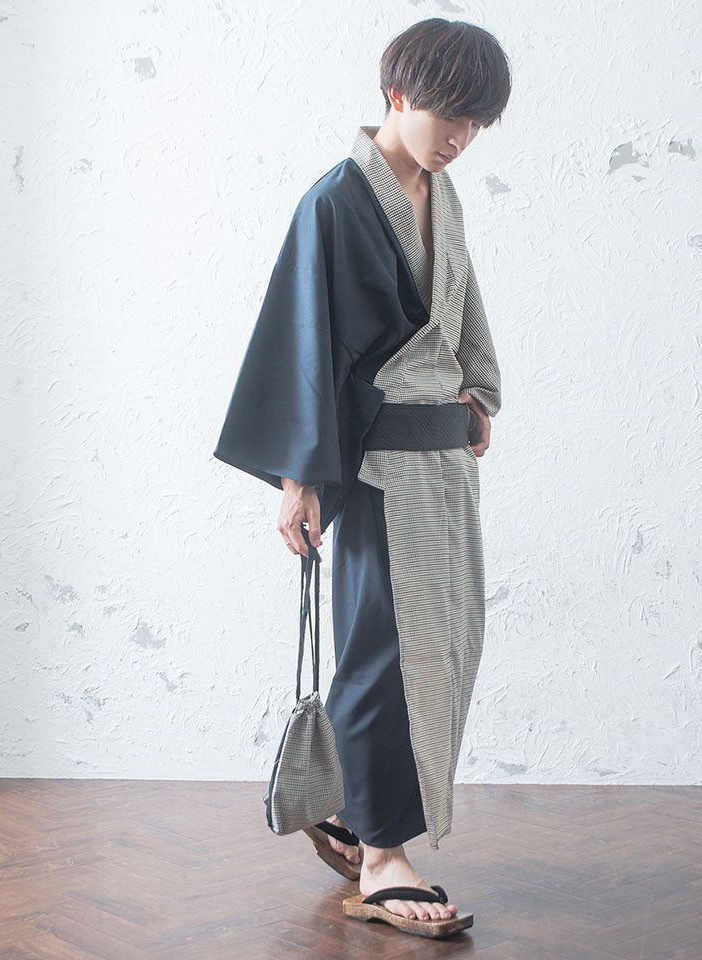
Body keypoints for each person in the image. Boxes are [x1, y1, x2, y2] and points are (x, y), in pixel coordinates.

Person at [213, 17, 511, 940]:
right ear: (397, 94)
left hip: (440, 459)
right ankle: (383, 855)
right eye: (450, 115)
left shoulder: (438, 192)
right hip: (378, 463)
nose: (461, 137)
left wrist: (475, 391)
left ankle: (347, 809)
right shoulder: (337, 202)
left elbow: (459, 303)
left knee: (446, 642)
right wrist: (300, 479)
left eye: (477, 123)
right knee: (388, 650)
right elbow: (304, 337)